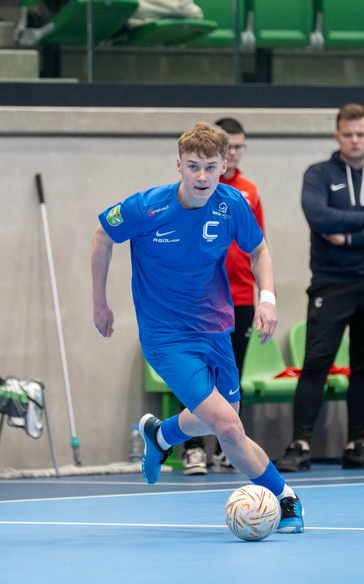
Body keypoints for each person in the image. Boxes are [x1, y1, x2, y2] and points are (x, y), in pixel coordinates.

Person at [91, 121, 304, 534]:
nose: (202, 176)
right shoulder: (147, 207)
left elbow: (259, 250)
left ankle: (160, 436)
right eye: (193, 166)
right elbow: (102, 235)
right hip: (167, 338)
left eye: (210, 167)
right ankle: (286, 497)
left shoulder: (232, 204)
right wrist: (100, 303)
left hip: (215, 328)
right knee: (228, 425)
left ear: (224, 165)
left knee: (221, 417)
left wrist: (267, 298)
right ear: (179, 166)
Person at [276, 103, 364, 472]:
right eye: (348, 134)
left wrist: (349, 238)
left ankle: (356, 445)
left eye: (361, 133)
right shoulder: (319, 174)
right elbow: (319, 217)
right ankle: (300, 446)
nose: (354, 140)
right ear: (337, 136)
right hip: (331, 284)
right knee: (315, 365)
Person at [180, 117, 263, 476]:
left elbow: (259, 246)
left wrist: (267, 297)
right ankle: (194, 449)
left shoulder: (247, 193)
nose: (235, 152)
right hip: (201, 299)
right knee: (197, 377)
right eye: (231, 145)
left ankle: (228, 447)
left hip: (240, 296)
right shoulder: (192, 192)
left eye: (239, 147)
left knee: (232, 374)